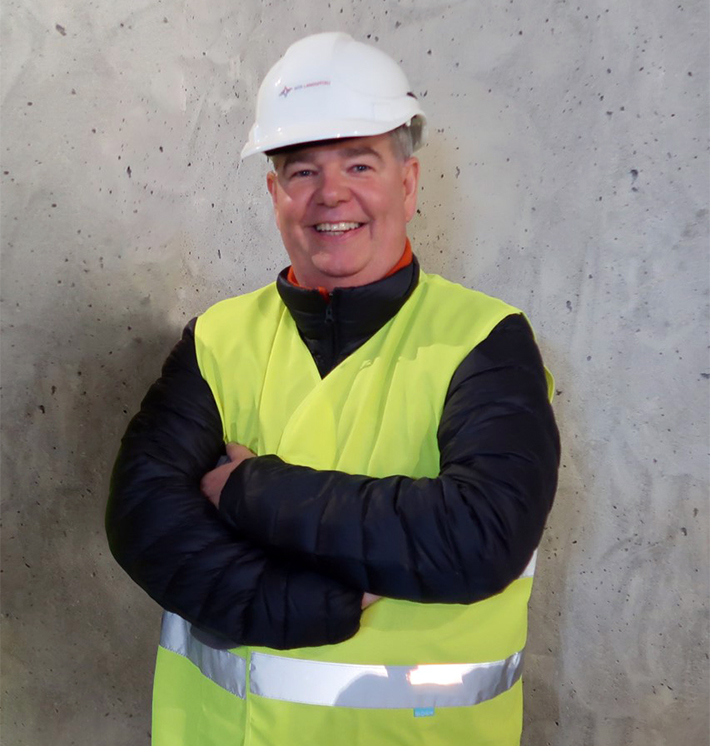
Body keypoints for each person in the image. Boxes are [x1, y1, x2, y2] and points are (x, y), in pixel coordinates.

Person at [106, 31, 560, 746]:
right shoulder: (218, 338)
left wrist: (247, 490)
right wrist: (316, 604)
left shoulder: (485, 342)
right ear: (275, 194)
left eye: (359, 163)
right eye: (302, 171)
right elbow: (146, 523)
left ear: (408, 184)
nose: (331, 194)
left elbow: (479, 535)